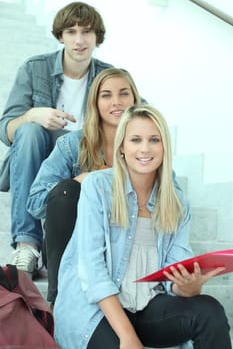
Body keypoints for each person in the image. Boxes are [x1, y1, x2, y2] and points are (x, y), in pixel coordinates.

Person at [53, 104, 231, 349]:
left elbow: (173, 274)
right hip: (97, 311)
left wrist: (188, 287)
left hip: (147, 307)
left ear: (164, 147)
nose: (145, 148)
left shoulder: (177, 203)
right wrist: (127, 336)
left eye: (154, 140)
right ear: (122, 148)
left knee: (210, 312)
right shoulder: (98, 187)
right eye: (136, 140)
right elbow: (92, 271)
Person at [0, 1, 113, 277]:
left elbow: (136, 116)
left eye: (86, 32)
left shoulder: (108, 77)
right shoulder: (34, 69)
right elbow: (5, 129)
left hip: (83, 160)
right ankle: (27, 244)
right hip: (39, 154)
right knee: (28, 132)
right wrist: (31, 116)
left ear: (97, 37)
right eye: (71, 31)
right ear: (60, 36)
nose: (79, 40)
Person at [27, 68, 142, 304]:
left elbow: (173, 197)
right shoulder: (71, 145)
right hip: (71, 247)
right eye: (106, 95)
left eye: (124, 94)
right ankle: (58, 300)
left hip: (120, 244)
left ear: (134, 99)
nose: (116, 102)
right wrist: (81, 180)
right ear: (95, 102)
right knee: (67, 189)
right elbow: (35, 201)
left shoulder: (145, 146)